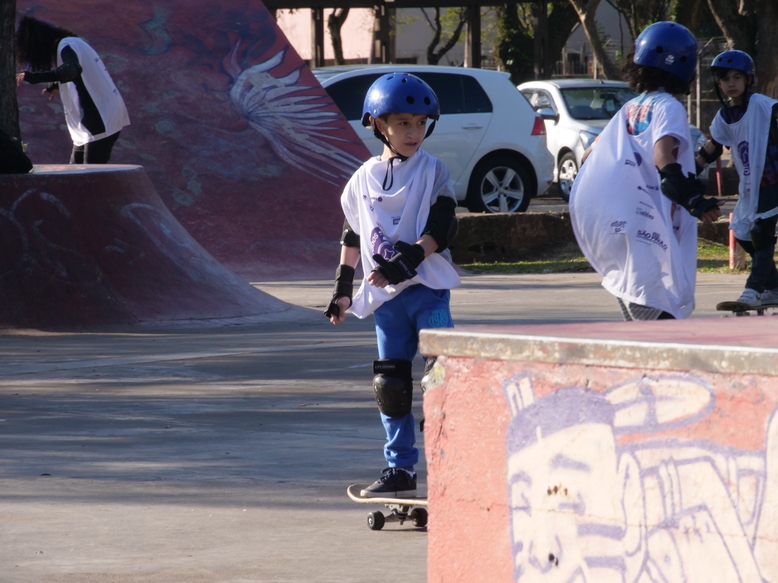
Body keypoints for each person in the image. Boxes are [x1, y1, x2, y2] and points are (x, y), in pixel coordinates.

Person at [324, 73, 460, 498]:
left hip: (427, 290)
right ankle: (400, 469)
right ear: (378, 124)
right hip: (386, 301)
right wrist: (342, 289)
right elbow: (352, 236)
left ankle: (450, 465)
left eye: (420, 123)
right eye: (403, 123)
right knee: (392, 385)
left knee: (442, 374)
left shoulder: (433, 170)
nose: (413, 132)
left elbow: (444, 225)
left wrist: (410, 260)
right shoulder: (361, 180)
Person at [570, 21, 722, 321]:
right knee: (659, 321)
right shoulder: (669, 107)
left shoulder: (630, 108)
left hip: (616, 223)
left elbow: (589, 155)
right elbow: (662, 156)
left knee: (641, 320)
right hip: (645, 223)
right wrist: (694, 200)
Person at [696, 50, 778, 308]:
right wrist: (691, 169)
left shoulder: (763, 105)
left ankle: (753, 291)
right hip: (750, 185)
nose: (731, 83)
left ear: (748, 79)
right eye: (725, 79)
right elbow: (714, 147)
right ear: (719, 84)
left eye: (736, 77)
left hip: (772, 180)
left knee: (761, 233)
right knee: (742, 233)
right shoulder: (723, 116)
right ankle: (775, 287)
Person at [15, 16, 130, 164]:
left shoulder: (66, 45)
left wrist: (34, 77)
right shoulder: (75, 43)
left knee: (89, 174)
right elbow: (82, 72)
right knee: (75, 171)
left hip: (100, 117)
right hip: (101, 115)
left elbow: (71, 70)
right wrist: (57, 85)